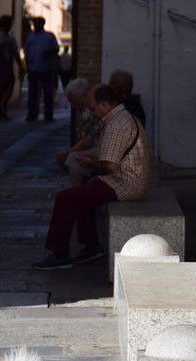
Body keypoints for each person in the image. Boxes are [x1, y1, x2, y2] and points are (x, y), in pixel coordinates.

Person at [32, 84, 151, 271]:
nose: (91, 112)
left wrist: (90, 163)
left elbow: (110, 165)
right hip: (128, 179)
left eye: (93, 108)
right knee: (82, 193)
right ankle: (91, 246)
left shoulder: (117, 124)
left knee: (66, 198)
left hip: (126, 183)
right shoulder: (119, 118)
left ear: (105, 104)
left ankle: (60, 253)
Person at [55, 79, 101, 186]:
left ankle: (77, 192)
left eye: (73, 101)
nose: (72, 106)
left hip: (100, 147)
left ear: (83, 97)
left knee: (71, 159)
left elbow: (87, 141)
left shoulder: (89, 110)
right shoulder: (87, 110)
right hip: (97, 147)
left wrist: (68, 152)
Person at [23, 17, 59, 122]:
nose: (35, 25)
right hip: (33, 68)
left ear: (42, 24)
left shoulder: (49, 36)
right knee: (32, 92)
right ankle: (32, 113)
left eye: (37, 23)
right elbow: (26, 52)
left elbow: (56, 49)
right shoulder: (30, 37)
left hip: (46, 68)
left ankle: (48, 114)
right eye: (34, 23)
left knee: (48, 92)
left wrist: (49, 52)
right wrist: (27, 66)